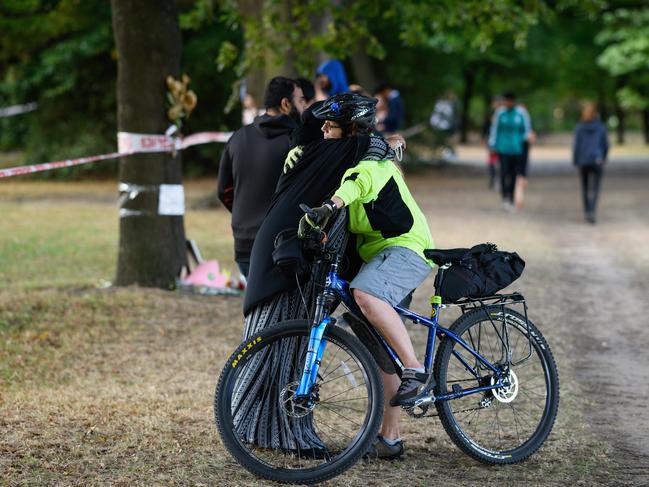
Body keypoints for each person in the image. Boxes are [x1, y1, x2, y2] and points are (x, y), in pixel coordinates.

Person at [298, 93, 435, 459]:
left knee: (366, 296)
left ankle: (417, 371)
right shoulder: (352, 155)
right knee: (377, 348)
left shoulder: (370, 163)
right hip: (377, 257)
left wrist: (331, 205)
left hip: (405, 249)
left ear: (351, 130)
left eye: (330, 125)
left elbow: (357, 184)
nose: (324, 129)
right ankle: (390, 440)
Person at [217, 76, 306, 278]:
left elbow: (224, 191)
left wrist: (244, 216)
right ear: (286, 104)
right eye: (300, 101)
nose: (304, 107)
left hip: (243, 245)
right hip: (282, 247)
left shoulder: (238, 137)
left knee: (256, 310)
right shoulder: (297, 142)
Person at [488, 91, 532, 212]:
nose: (508, 103)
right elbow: (494, 129)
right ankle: (504, 198)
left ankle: (511, 198)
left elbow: (526, 130)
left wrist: (526, 140)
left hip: (517, 149)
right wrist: (492, 145)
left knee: (513, 175)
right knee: (503, 172)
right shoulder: (500, 113)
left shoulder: (521, 113)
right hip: (503, 148)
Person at [573, 101, 609, 224]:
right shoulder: (601, 127)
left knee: (585, 187)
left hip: (583, 160)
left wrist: (576, 160)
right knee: (596, 188)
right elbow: (605, 144)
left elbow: (576, 146)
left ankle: (587, 210)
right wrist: (603, 157)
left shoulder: (579, 127)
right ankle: (592, 210)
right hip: (597, 160)